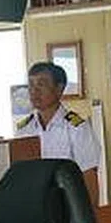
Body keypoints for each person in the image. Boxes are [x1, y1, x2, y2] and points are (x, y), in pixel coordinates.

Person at [16, 61, 101, 206]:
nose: (34, 91)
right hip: (34, 208)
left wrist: (88, 221)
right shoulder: (24, 130)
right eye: (31, 85)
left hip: (68, 209)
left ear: (59, 89)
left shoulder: (77, 129)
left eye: (41, 84)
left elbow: (89, 179)